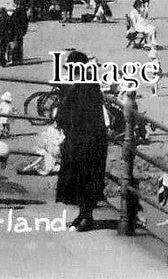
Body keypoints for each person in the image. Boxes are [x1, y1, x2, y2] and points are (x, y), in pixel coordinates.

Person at [55, 50, 108, 231]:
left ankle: (87, 217)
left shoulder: (86, 85)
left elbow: (81, 113)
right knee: (78, 177)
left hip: (88, 140)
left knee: (86, 177)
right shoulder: (82, 83)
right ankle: (82, 215)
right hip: (79, 138)